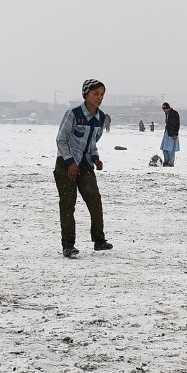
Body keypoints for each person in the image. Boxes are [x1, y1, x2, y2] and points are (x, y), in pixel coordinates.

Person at [53, 79, 114, 258]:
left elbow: (92, 143)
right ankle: (68, 245)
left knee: (95, 202)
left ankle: (99, 240)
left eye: (102, 94)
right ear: (86, 94)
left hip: (86, 166)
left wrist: (96, 158)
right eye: (95, 94)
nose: (99, 97)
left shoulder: (101, 118)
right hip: (66, 165)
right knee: (67, 205)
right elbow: (61, 140)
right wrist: (70, 162)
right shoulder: (73, 114)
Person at [161, 102, 181, 166]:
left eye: (164, 109)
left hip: (172, 134)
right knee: (164, 148)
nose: (164, 110)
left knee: (170, 149)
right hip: (167, 132)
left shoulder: (174, 113)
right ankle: (166, 161)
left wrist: (175, 134)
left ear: (167, 108)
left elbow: (177, 124)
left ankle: (171, 162)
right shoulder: (167, 114)